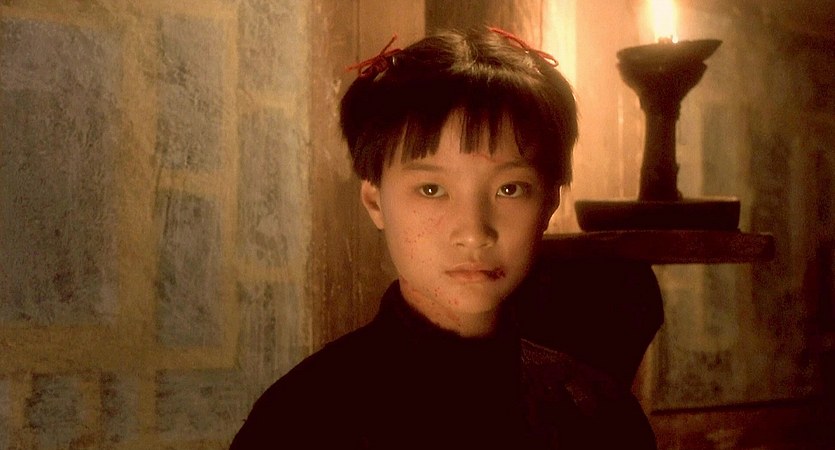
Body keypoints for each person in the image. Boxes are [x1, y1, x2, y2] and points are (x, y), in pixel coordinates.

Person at [230, 28, 656, 449]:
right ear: (375, 201)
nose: (473, 233)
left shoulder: (599, 416)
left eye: (509, 189)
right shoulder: (301, 422)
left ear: (549, 202)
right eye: (432, 189)